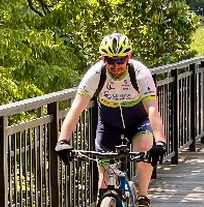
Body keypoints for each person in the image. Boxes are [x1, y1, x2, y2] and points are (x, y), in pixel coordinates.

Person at [54, 33, 166, 207]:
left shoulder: (140, 73)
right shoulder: (96, 74)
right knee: (105, 179)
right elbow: (76, 108)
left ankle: (143, 196)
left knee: (145, 147)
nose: (115, 65)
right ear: (103, 58)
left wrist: (160, 142)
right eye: (110, 60)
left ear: (128, 57)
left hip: (138, 122)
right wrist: (63, 141)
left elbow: (152, 109)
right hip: (109, 125)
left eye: (120, 60)